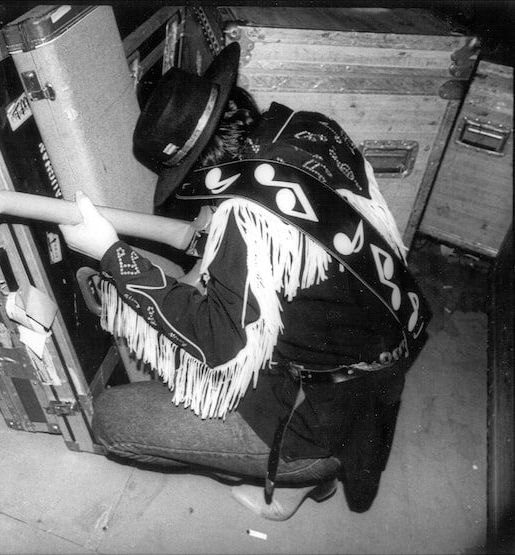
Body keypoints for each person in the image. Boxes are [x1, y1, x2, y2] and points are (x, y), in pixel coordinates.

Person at [58, 42, 430, 521]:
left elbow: (220, 343)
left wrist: (110, 253)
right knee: (202, 293)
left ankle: (300, 470)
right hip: (370, 372)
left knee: (110, 420)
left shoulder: (248, 217)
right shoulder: (309, 132)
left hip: (315, 414)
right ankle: (300, 471)